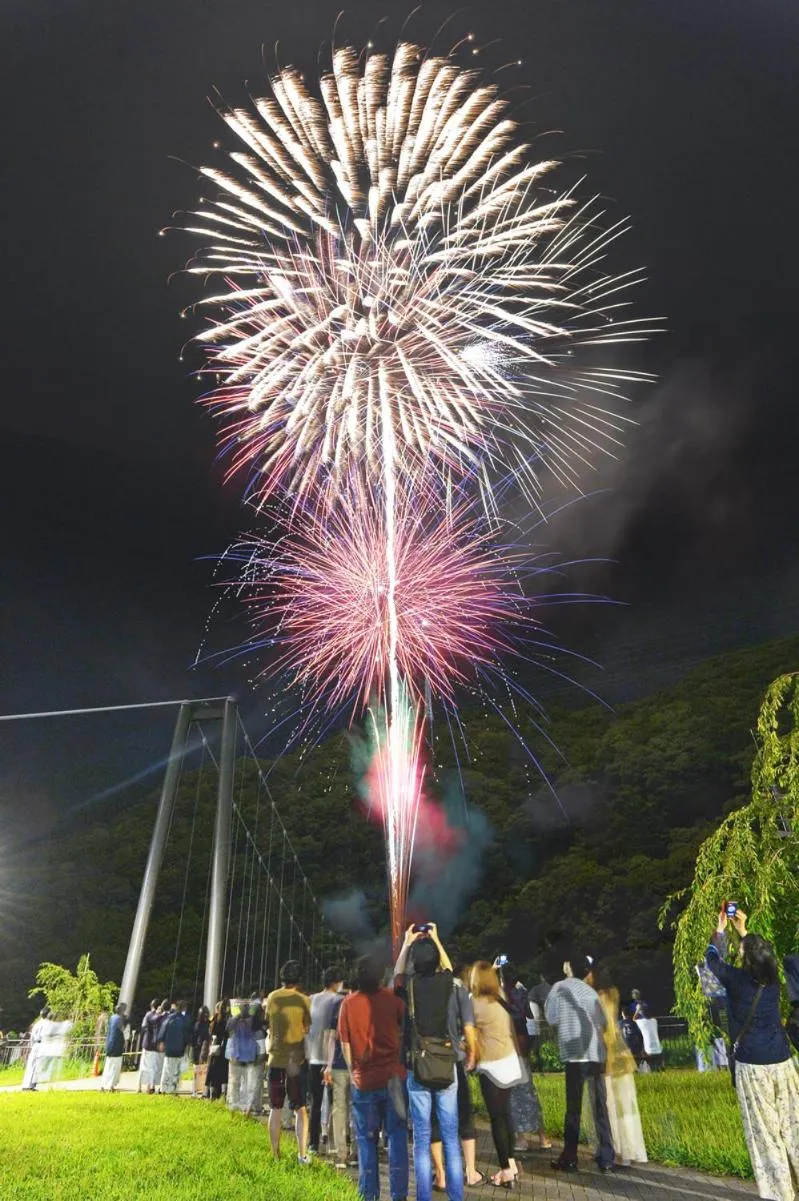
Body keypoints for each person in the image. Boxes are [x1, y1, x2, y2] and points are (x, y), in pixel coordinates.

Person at [706, 906, 799, 1201]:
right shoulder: (772, 982)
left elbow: (712, 961)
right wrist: (744, 930)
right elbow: (763, 954)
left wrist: (721, 930)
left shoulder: (736, 980)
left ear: (745, 958)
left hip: (754, 1066)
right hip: (782, 1061)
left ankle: (780, 1193)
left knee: (765, 1133)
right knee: (794, 1125)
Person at [393, 924, 469, 1201]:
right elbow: (449, 967)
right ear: (437, 960)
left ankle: (424, 1196)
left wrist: (406, 943)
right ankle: (456, 1196)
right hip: (446, 1064)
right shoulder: (446, 983)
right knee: (451, 1138)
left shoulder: (410, 986)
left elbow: (397, 976)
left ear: (416, 962)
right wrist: (436, 937)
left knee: (423, 1140)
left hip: (418, 1067)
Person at [338, 953, 408, 1201]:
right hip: (393, 1079)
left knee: (366, 1141)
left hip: (363, 1081)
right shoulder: (394, 1001)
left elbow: (346, 1045)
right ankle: (399, 1195)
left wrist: (352, 1071)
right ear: (381, 976)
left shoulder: (347, 1003)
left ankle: (369, 1195)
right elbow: (403, 1031)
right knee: (397, 1138)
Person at [545, 955, 613, 1174]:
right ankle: (606, 1158)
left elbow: (551, 1018)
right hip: (596, 1054)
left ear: (567, 967)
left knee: (573, 1109)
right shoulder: (591, 991)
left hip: (575, 1056)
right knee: (600, 1107)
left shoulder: (558, 988)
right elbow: (602, 1022)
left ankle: (570, 1158)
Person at [469, 960, 522, 1188]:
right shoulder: (500, 995)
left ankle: (506, 1170)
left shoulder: (475, 1004)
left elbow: (468, 1034)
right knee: (506, 1115)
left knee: (497, 1119)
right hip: (510, 1062)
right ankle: (511, 1163)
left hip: (491, 1066)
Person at [593, 964, 647, 1165]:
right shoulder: (614, 993)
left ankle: (613, 1149)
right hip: (622, 1051)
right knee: (627, 1105)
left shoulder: (595, 997)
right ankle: (630, 1151)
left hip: (606, 1051)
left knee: (610, 1105)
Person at [496, 959, 550, 1155]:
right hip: (524, 1045)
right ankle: (543, 1137)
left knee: (515, 1095)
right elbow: (529, 1016)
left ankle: (522, 1138)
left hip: (510, 1048)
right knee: (529, 1092)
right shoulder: (522, 993)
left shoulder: (503, 996)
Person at [265, 960, 311, 1162]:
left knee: (275, 1108)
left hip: (275, 1059)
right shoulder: (303, 1000)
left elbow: (269, 1020)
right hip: (295, 1061)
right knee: (300, 1109)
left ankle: (275, 1154)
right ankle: (302, 1155)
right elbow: (306, 1028)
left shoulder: (272, 997)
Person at [307, 966, 344, 1155]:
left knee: (315, 1102)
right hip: (333, 1059)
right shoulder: (340, 1000)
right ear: (336, 982)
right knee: (336, 1102)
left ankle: (313, 1143)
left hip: (313, 1056)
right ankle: (333, 1143)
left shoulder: (311, 999)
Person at [324, 983, 355, 1169]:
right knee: (358, 1109)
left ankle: (341, 1153)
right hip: (362, 1066)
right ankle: (357, 1153)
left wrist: (327, 1065)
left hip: (339, 1063)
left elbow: (331, 1037)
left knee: (339, 1107)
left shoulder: (340, 1005)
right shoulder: (370, 1003)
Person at [225, 999, 257, 1111]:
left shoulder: (252, 1020)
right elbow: (228, 1028)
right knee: (235, 1082)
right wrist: (237, 1017)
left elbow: (254, 1026)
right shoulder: (234, 1020)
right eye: (242, 1008)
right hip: (237, 1055)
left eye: (246, 1009)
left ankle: (244, 1105)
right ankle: (234, 1104)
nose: (244, 1011)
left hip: (246, 1056)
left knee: (246, 1083)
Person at [159, 1000, 188, 1095]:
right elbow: (186, 1035)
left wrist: (161, 1041)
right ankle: (172, 1089)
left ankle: (163, 1087)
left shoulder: (169, 1018)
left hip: (169, 1047)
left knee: (167, 1068)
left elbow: (163, 1030)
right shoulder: (184, 1020)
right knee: (176, 1070)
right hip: (179, 1048)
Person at [205, 998, 230, 1100]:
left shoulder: (214, 1019)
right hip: (224, 1048)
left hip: (215, 1047)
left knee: (212, 1070)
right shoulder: (228, 1019)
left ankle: (210, 1093)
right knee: (223, 1071)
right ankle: (223, 1093)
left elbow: (210, 1032)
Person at [101, 1002, 128, 1093]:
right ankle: (110, 1086)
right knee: (114, 1067)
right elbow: (124, 1033)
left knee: (108, 1066)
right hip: (117, 1046)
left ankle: (104, 1085)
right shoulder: (120, 1020)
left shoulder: (112, 1018)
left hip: (109, 1045)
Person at [139, 999, 164, 1094]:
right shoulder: (157, 1017)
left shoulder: (148, 1015)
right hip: (153, 1045)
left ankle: (140, 1086)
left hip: (146, 1043)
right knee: (152, 1067)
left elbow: (143, 1027)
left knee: (144, 1066)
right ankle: (150, 1086)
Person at [21, 1009, 49, 1091]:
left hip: (36, 1045)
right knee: (35, 1066)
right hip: (42, 1044)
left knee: (31, 1065)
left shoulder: (37, 1024)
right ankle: (30, 1086)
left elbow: (32, 1036)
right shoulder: (47, 1024)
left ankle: (28, 1085)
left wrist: (32, 1045)